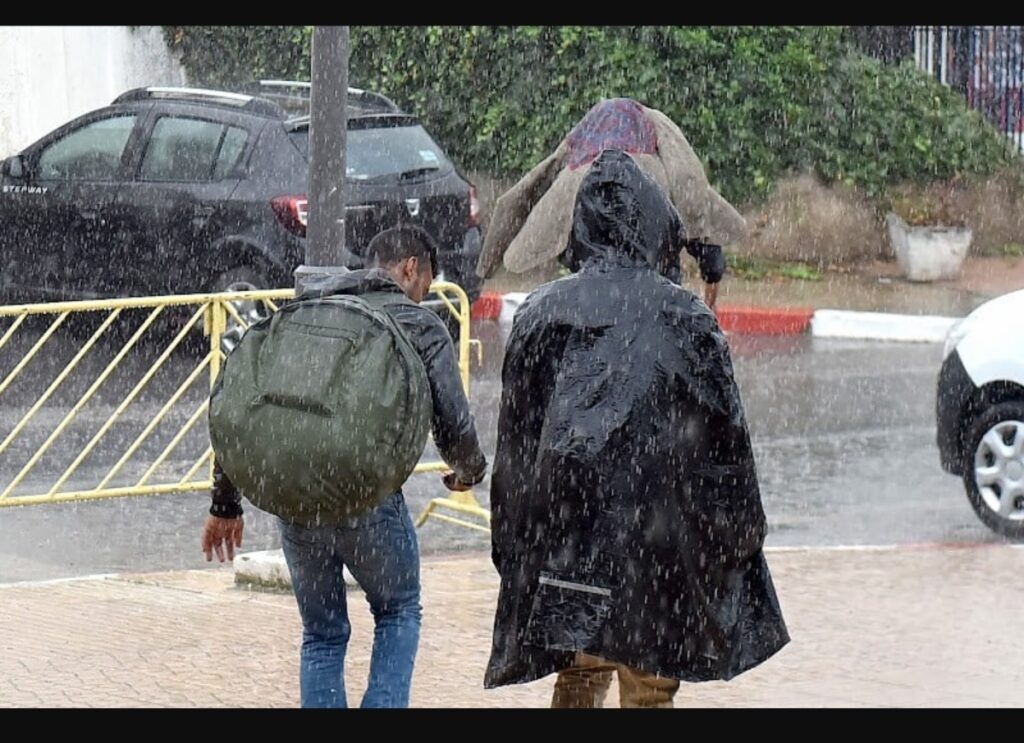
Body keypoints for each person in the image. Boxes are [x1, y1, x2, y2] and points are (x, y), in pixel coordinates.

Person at [484, 149, 789, 708]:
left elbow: (518, 447)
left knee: (577, 671)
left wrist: (511, 540)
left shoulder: (541, 313)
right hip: (659, 549)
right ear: (655, 226)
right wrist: (741, 534)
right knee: (648, 687)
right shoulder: (687, 319)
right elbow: (726, 449)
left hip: (568, 543)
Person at [202, 226, 488, 708]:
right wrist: (468, 473)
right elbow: (454, 422)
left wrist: (225, 504)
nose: (422, 297)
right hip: (367, 501)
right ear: (409, 269)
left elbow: (249, 410)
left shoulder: (306, 311)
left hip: (295, 502)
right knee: (398, 610)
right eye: (425, 286)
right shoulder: (419, 325)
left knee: (322, 636)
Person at [475, 97, 743, 309]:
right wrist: (707, 302)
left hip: (592, 289)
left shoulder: (581, 147)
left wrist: (485, 268)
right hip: (656, 284)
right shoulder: (662, 148)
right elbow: (692, 192)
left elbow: (522, 194)